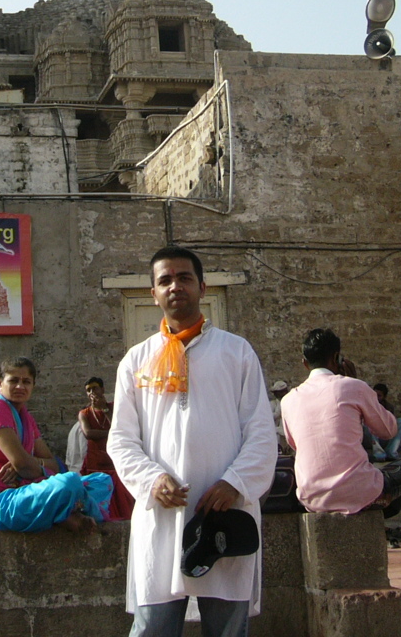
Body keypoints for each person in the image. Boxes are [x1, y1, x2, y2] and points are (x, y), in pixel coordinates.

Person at [107, 247, 277, 637]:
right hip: (163, 515)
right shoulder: (136, 360)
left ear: (201, 287)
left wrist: (234, 483)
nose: (175, 287)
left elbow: (261, 431)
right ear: (153, 293)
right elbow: (122, 439)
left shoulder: (236, 352)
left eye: (184, 278)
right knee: (153, 627)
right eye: (165, 280)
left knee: (228, 629)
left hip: (224, 514)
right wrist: (151, 480)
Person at [282, 328, 401, 518]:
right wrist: (355, 381)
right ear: (337, 358)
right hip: (359, 492)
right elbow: (389, 430)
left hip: (311, 498)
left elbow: (294, 444)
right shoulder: (353, 386)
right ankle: (382, 506)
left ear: (305, 363)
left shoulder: (289, 400)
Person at [0, 356, 112, 532]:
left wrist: (32, 462)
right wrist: (26, 464)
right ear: (0, 383)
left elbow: (54, 465)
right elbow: (23, 464)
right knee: (70, 483)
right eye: (13, 381)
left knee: (103, 481)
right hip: (0, 502)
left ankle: (63, 511)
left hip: (29, 492)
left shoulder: (26, 418)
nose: (20, 386)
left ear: (33, 386)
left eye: (26, 382)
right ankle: (66, 512)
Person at [79, 376, 134, 520]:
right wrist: (111, 433)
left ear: (102, 389)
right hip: (95, 462)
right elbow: (88, 433)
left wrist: (104, 409)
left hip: (114, 461)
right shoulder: (84, 413)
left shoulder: (113, 407)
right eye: (88, 390)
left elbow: (119, 426)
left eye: (95, 388)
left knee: (121, 499)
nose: (92, 392)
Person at [369, 383, 401, 461]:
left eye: (379, 396)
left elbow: (389, 425)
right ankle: (379, 454)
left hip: (384, 435)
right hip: (371, 438)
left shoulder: (389, 407)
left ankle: (391, 452)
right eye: (374, 395)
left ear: (384, 397)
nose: (376, 398)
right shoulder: (368, 405)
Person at [268, 379, 290, 453]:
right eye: (280, 392)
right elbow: (269, 418)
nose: (283, 393)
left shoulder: (291, 402)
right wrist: (279, 411)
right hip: (277, 430)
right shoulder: (272, 404)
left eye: (284, 391)